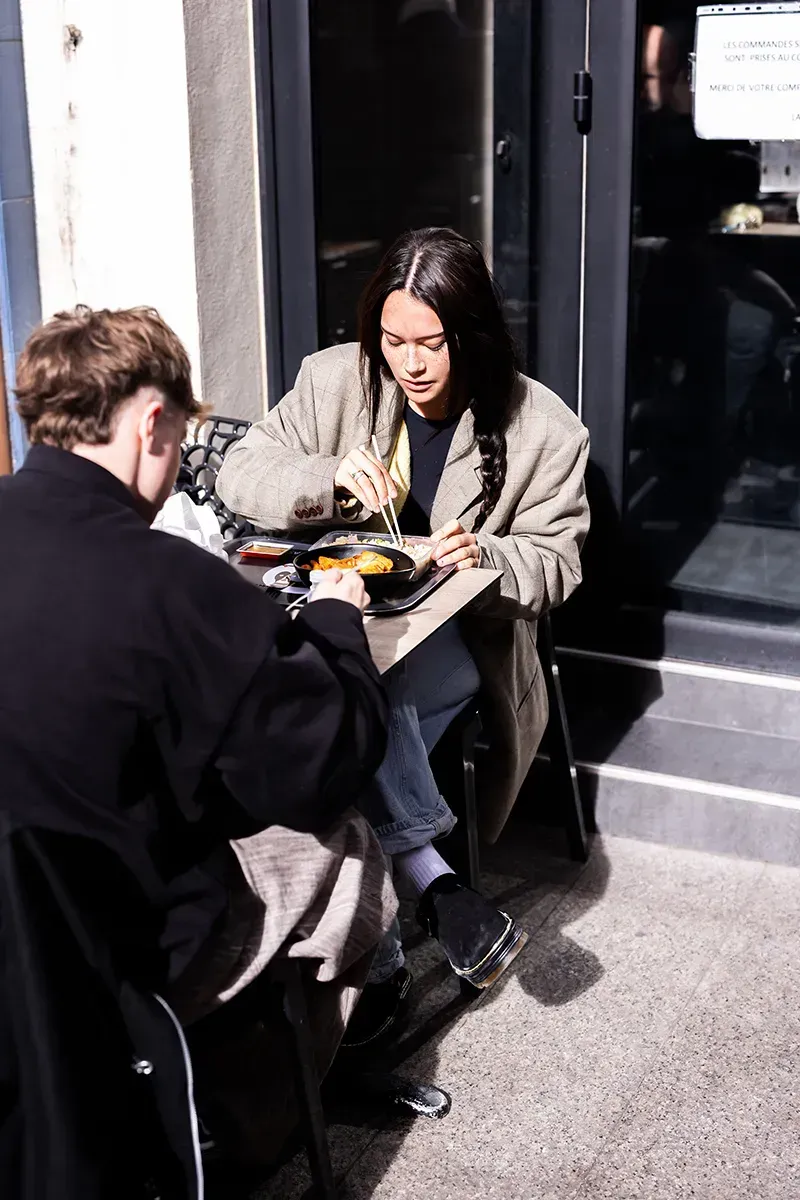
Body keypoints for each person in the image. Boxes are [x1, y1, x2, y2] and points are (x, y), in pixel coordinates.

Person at [0, 305, 400, 1188]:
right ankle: (246, 1121)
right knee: (344, 851)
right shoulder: (173, 584)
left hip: (26, 927)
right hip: (113, 953)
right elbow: (324, 765)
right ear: (152, 421)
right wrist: (337, 617)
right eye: (182, 432)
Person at [217, 226, 590, 1039]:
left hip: (467, 647)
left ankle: (376, 966)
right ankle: (428, 888)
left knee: (352, 696)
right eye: (393, 342)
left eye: (431, 344)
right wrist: (329, 485)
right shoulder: (335, 380)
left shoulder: (544, 429)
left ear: (473, 335)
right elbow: (242, 469)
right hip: (351, 617)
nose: (410, 364)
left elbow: (557, 566)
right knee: (350, 686)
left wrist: (483, 556)